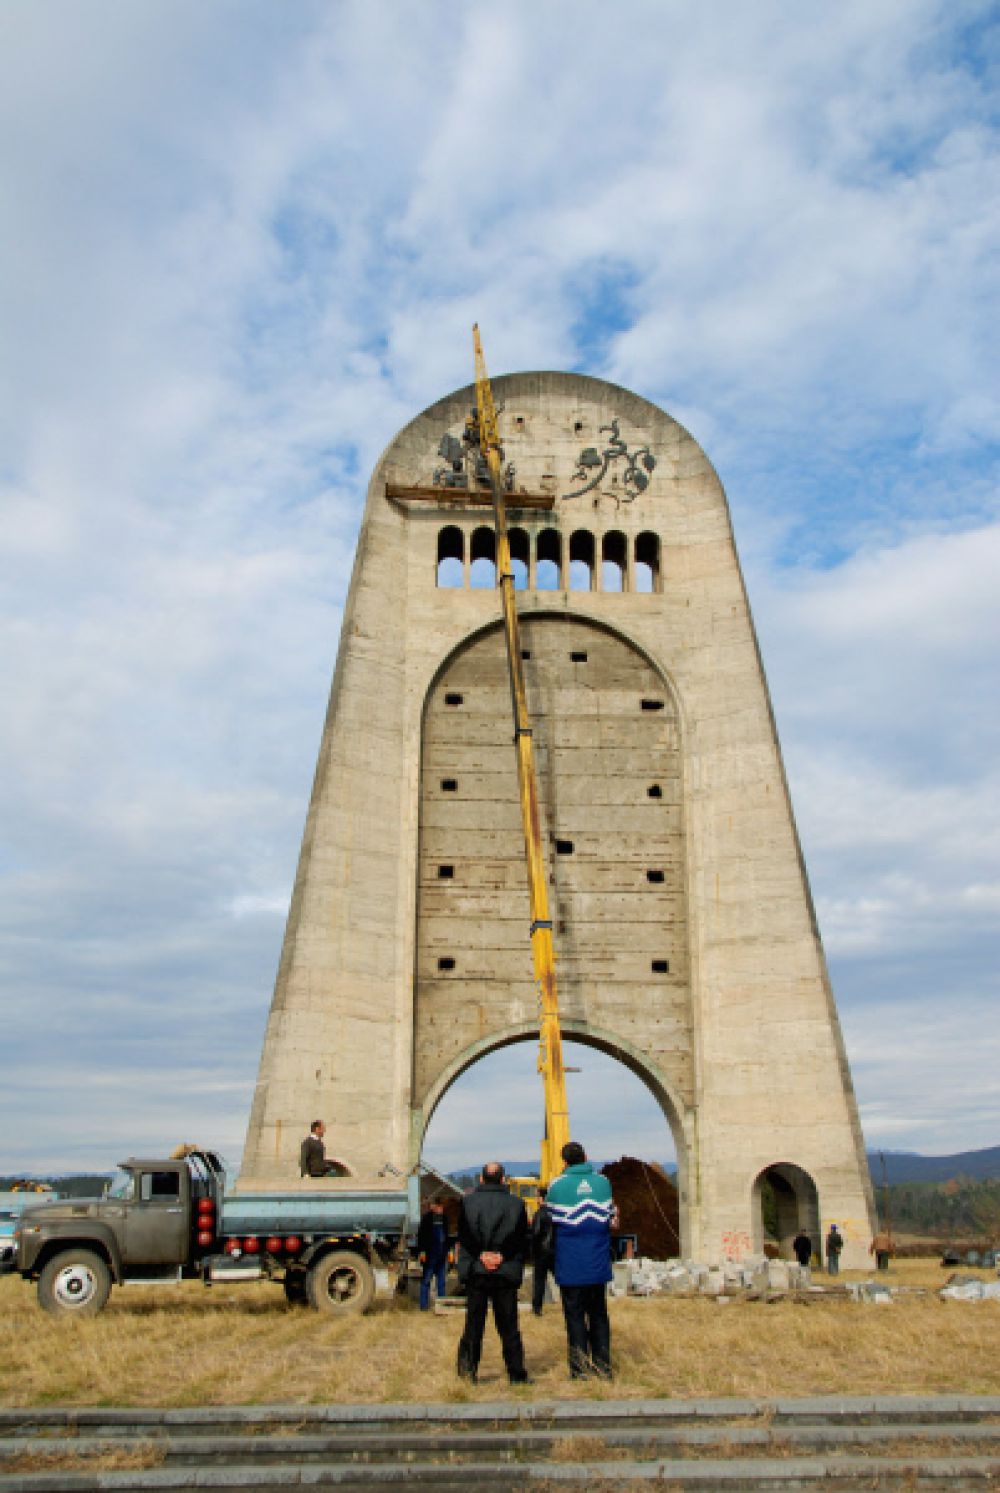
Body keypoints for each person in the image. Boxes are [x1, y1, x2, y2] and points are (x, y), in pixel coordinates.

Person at [456, 1161, 530, 1384]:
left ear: (480, 1179)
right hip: (505, 1272)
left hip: (477, 1272)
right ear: (503, 1179)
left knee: (473, 1325)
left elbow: (465, 1235)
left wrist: (481, 1255)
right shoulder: (517, 1204)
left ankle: (468, 1373)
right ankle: (516, 1374)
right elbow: (520, 1238)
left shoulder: (467, 1203)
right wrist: (501, 1256)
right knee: (509, 1326)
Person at [546, 1140, 615, 1379]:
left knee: (574, 1318)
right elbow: (611, 1216)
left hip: (570, 1265)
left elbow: (550, 1220)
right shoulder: (603, 1183)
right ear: (586, 1156)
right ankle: (604, 1367)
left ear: (564, 1161)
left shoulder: (557, 1185)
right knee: (599, 1316)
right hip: (597, 1264)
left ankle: (579, 1369)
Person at [417, 1199, 450, 1311]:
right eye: (439, 1206)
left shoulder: (445, 1219)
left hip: (441, 1255)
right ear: (434, 1207)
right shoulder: (426, 1219)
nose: (441, 1208)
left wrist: (447, 1251)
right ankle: (424, 1306)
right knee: (426, 1281)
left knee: (441, 1283)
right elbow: (421, 1236)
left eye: (442, 1206)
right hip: (430, 1255)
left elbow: (447, 1236)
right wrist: (422, 1251)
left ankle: (441, 1306)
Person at [531, 1186, 554, 1315]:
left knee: (539, 1281)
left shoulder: (539, 1214)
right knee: (560, 1279)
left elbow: (536, 1233)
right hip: (554, 1250)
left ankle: (537, 1307)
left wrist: (533, 1250)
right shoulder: (555, 1213)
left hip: (541, 1251)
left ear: (541, 1198)